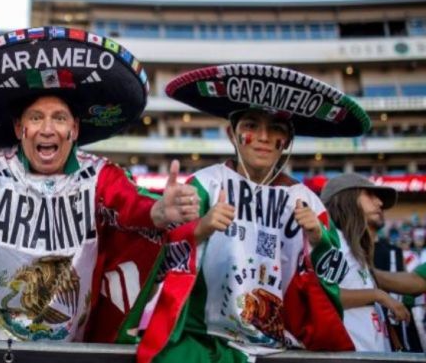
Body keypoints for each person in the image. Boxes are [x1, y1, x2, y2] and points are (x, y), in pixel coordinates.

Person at [0, 27, 202, 354]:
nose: (47, 129)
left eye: (59, 118)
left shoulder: (100, 174)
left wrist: (160, 212)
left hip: (62, 351)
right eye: (35, 117)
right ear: (19, 128)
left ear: (74, 129)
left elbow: (132, 207)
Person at [137, 64, 371, 363]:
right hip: (205, 343)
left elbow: (335, 277)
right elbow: (160, 262)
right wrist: (200, 228)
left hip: (280, 350)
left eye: (276, 128)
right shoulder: (205, 185)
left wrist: (318, 239)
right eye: (251, 125)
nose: (263, 136)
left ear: (285, 141)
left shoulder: (306, 201)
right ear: (232, 134)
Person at [321, 173, 424, 352]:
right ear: (347, 199)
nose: (380, 203)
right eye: (370, 195)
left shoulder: (356, 250)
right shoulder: (334, 241)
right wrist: (379, 295)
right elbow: (322, 296)